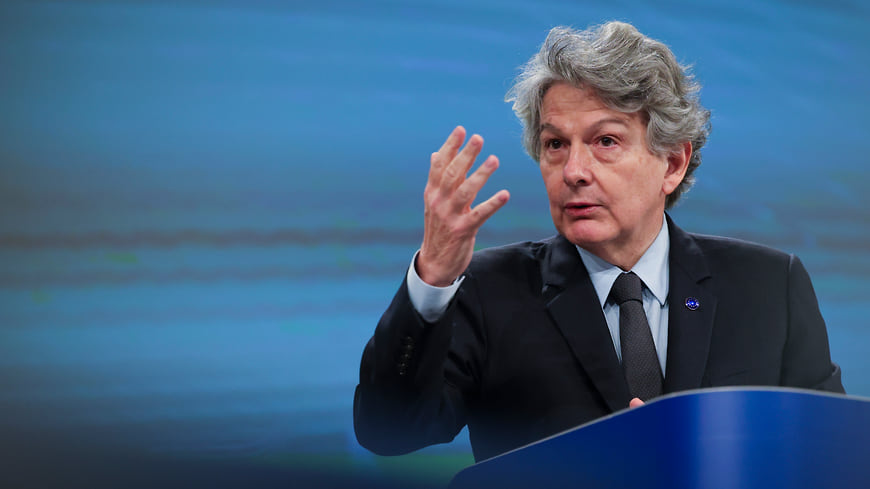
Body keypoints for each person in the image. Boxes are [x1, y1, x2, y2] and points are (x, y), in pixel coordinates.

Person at [353, 21, 844, 463]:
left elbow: (832, 452)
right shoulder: (486, 290)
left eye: (605, 141)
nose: (574, 172)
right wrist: (433, 278)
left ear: (672, 164)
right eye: (555, 144)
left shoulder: (768, 286)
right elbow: (389, 431)